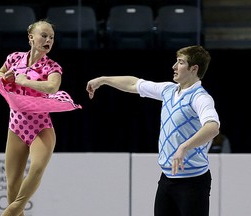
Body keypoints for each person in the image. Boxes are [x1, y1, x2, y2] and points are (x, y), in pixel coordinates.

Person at [86, 45, 220, 216]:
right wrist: (103, 80)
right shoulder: (168, 90)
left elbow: (212, 127)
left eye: (180, 62)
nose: (174, 67)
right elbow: (134, 83)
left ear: (194, 69)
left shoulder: (200, 98)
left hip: (193, 182)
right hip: (167, 179)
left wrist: (184, 147)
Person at [0, 19, 81, 216]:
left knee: (37, 169)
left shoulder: (52, 67)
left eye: (51, 37)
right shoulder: (14, 58)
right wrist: (4, 77)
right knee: (12, 185)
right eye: (44, 35)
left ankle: (10, 212)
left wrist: (25, 81)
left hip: (40, 127)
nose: (48, 40)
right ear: (31, 38)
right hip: (15, 125)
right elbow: (0, 73)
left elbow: (52, 87)